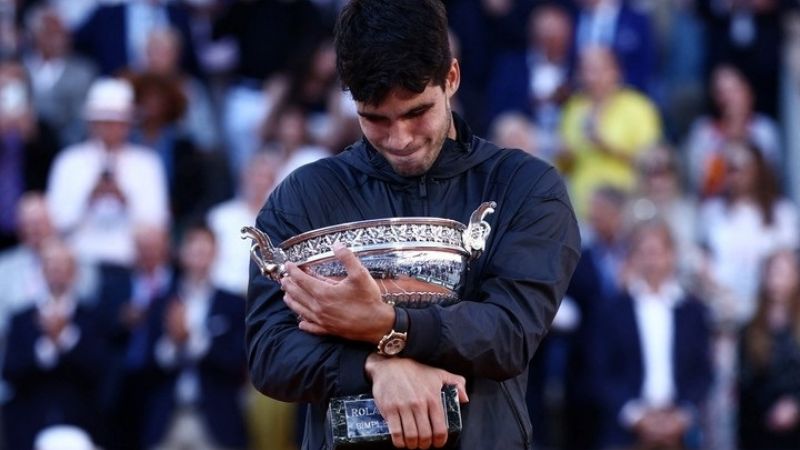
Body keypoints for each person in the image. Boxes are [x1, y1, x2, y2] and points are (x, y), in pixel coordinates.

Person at [245, 1, 581, 449]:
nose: (399, 139)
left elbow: (509, 334)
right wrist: (377, 364)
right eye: (375, 118)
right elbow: (270, 354)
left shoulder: (524, 186)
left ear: (452, 78)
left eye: (416, 112)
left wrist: (385, 323)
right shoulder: (305, 195)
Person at [589, 219, 713, 450]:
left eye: (657, 252)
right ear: (633, 257)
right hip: (624, 430)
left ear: (672, 255)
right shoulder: (613, 309)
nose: (652, 260)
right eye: (644, 252)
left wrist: (681, 416)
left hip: (681, 431)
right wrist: (636, 416)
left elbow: (702, 371)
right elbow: (600, 370)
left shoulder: (692, 310)